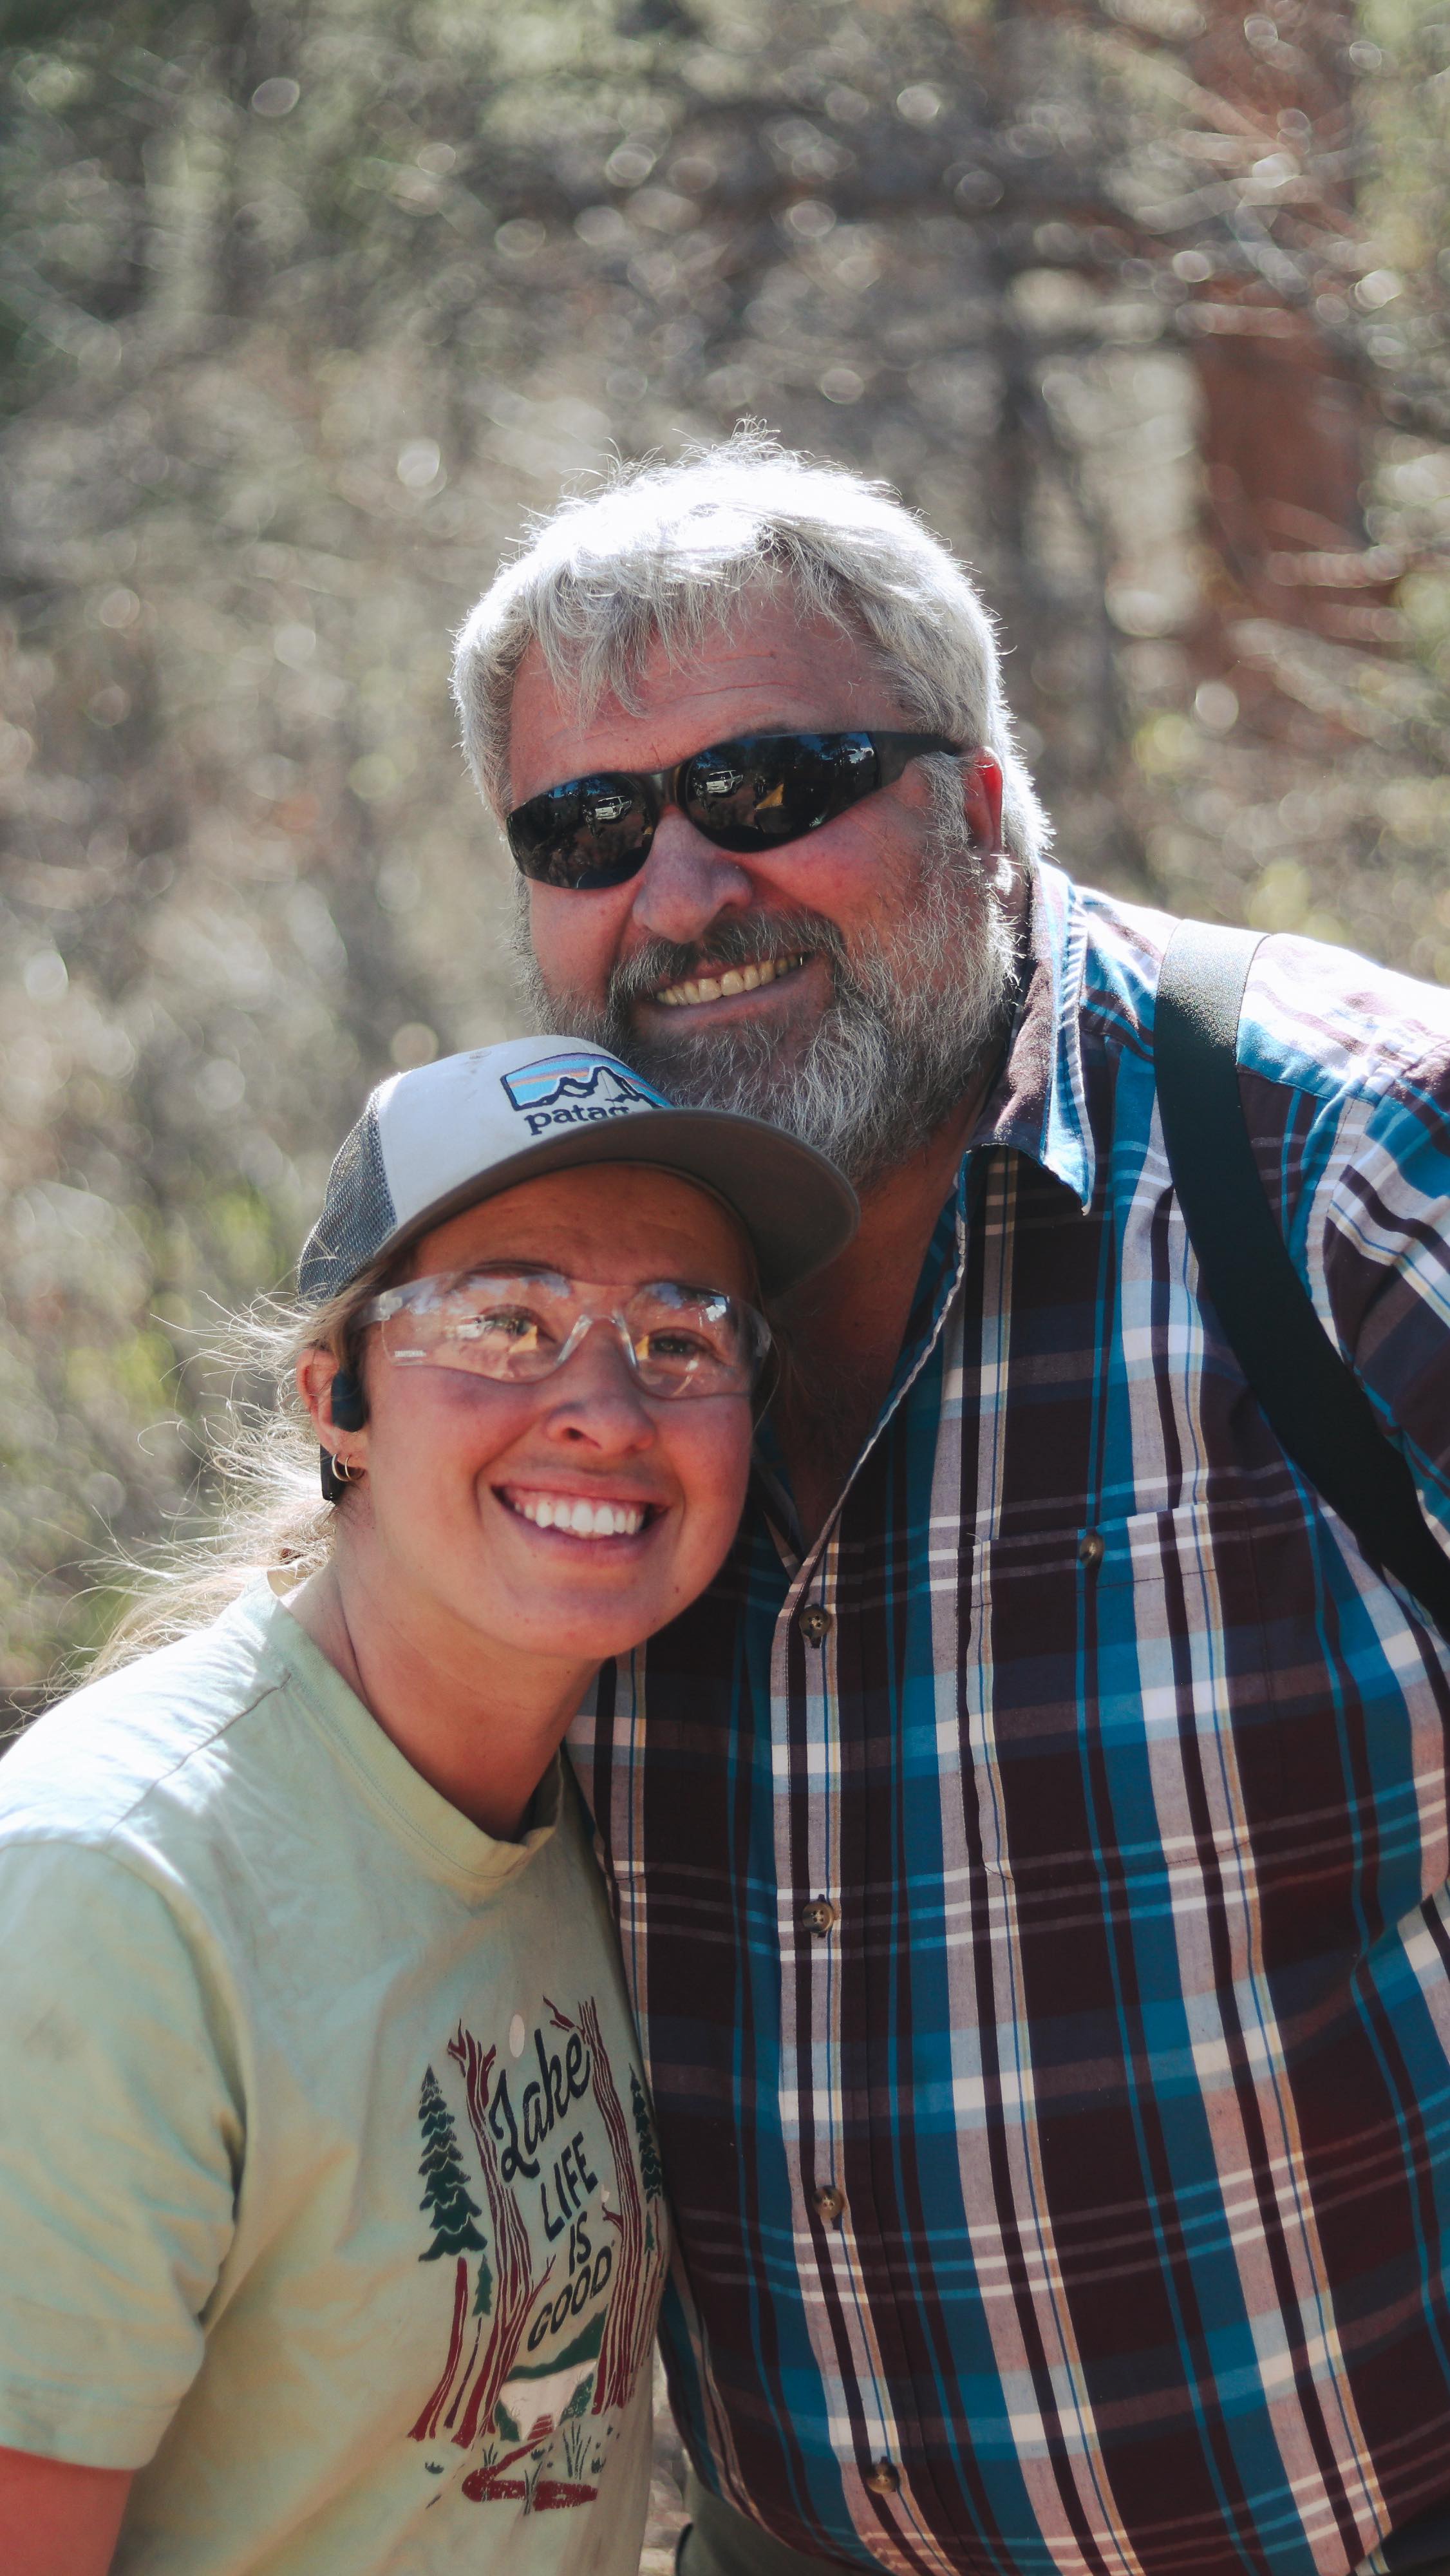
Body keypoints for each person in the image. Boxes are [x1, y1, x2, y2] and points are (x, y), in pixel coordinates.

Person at [450, 434, 1450, 2576]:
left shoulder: (1357, 1176)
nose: (687, 890)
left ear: (985, 803)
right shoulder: (529, 1329)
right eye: (591, 825)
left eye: (774, 786)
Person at [0, 1032, 855, 2576]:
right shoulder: (119, 1883)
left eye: (680, 1335)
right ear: (338, 1397)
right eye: (508, 1320)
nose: (604, 1404)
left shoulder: (603, 1820)